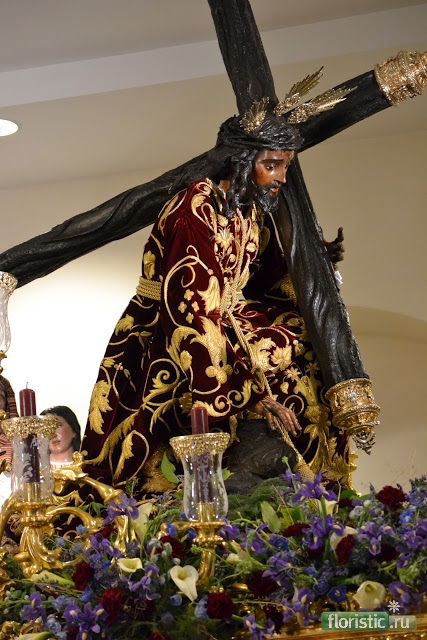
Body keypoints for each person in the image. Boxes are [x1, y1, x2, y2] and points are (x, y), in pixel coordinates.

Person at [81, 111, 349, 496]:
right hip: (169, 331)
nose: (281, 178)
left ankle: (302, 477)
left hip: (223, 319)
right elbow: (192, 311)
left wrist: (314, 266)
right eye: (271, 165)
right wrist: (244, 395)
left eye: (285, 167)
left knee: (300, 336)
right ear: (241, 161)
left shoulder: (247, 208)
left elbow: (268, 275)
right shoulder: (194, 209)